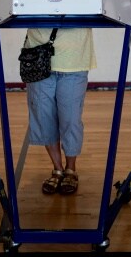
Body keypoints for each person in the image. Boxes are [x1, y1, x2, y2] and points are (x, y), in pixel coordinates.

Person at [24, 27, 96, 194]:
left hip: (74, 58)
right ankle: (57, 169)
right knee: (44, 117)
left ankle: (71, 169)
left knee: (70, 119)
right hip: (38, 55)